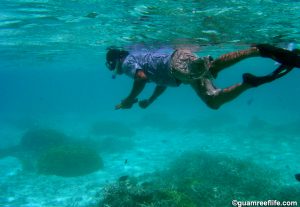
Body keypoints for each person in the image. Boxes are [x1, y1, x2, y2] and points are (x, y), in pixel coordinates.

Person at [105, 44, 300, 110]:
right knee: (212, 101)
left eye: (111, 65)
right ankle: (248, 83)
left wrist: (128, 100)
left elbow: (142, 78)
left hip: (177, 64)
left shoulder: (128, 61)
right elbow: (159, 81)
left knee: (212, 68)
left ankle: (257, 51)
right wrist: (150, 101)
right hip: (178, 72)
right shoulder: (136, 61)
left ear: (116, 60)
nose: (114, 70)